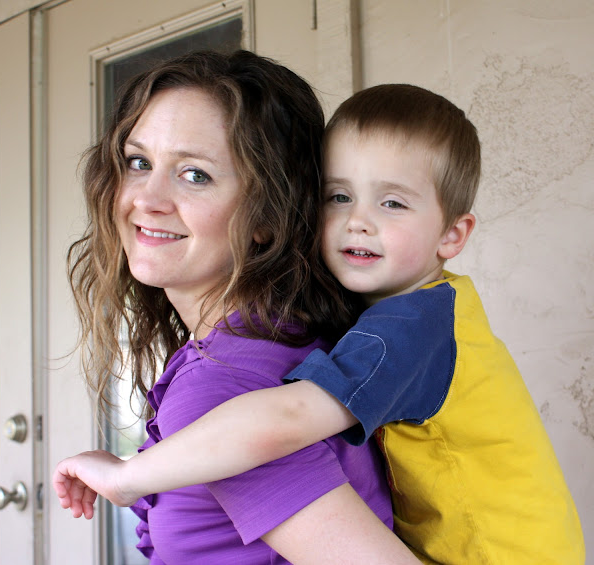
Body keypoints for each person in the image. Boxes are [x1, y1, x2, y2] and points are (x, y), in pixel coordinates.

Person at [54, 82, 586, 564]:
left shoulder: (407, 331)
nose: (358, 222)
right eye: (339, 197)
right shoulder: (376, 319)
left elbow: (285, 418)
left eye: (196, 174)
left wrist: (128, 477)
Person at [53, 51, 419, 565]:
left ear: (267, 216)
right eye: (139, 163)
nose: (147, 198)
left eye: (195, 174)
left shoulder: (226, 384)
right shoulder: (270, 343)